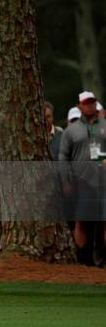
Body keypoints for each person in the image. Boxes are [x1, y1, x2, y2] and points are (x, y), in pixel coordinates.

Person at [59, 91, 106, 266]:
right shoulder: (71, 131)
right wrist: (65, 180)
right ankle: (82, 260)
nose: (90, 105)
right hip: (82, 181)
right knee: (81, 222)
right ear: (80, 106)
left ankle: (103, 259)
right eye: (86, 103)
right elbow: (63, 157)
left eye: (92, 102)